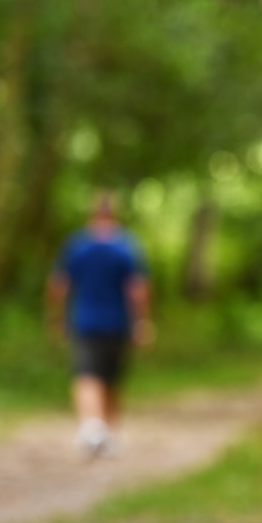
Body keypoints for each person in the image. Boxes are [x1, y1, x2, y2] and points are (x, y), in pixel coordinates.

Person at [46, 192, 153, 457]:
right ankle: (108, 432)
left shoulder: (77, 244)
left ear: (92, 214)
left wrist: (56, 315)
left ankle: (92, 427)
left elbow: (59, 285)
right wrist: (141, 321)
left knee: (86, 375)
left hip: (85, 321)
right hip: (118, 322)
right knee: (112, 378)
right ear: (114, 214)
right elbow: (138, 289)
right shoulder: (127, 245)